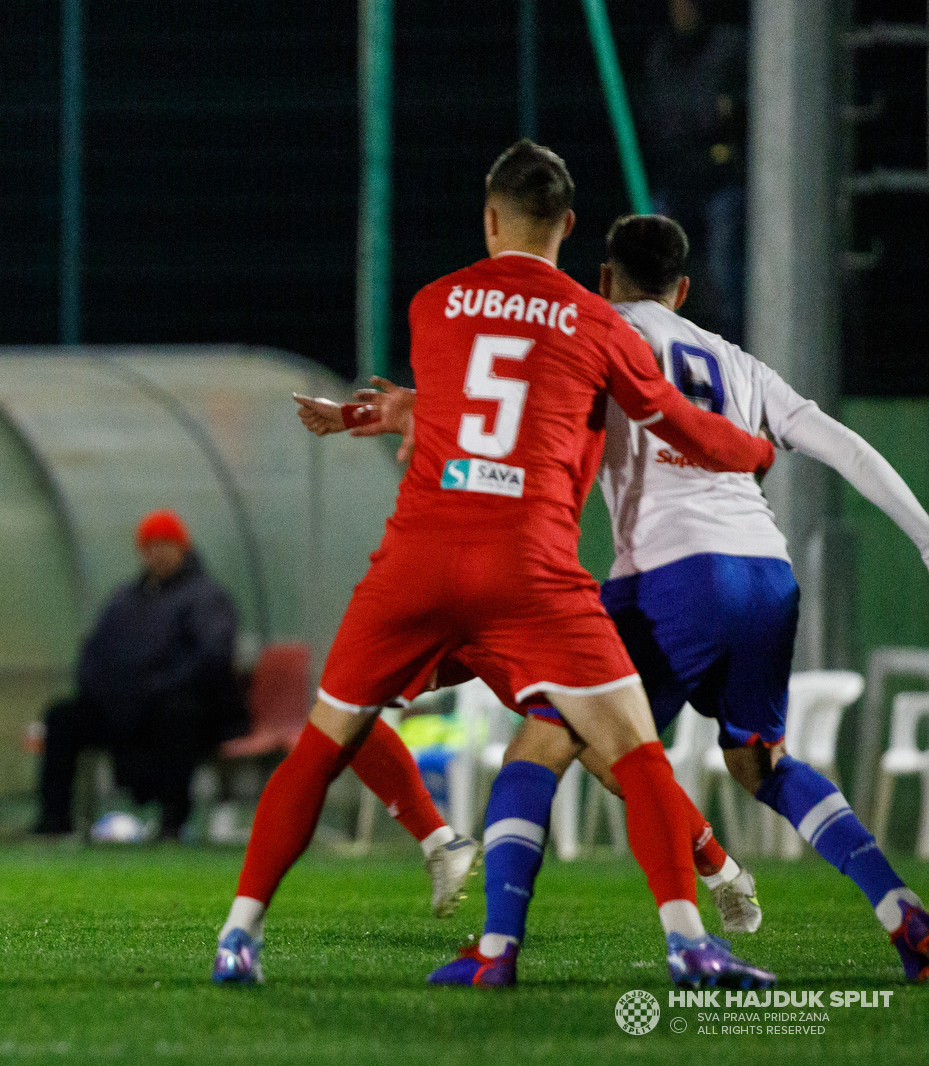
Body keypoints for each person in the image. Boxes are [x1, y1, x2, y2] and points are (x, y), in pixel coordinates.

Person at [212, 140, 777, 989]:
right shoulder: (597, 323)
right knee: (629, 749)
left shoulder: (434, 303)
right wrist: (755, 449)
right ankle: (689, 937)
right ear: (570, 227)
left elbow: (462, 394)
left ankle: (239, 936)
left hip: (423, 562)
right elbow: (670, 419)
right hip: (527, 571)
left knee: (330, 734)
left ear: (488, 218)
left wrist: (376, 413)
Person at [590, 214, 929, 980]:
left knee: (598, 739)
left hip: (668, 574)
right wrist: (923, 531)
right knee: (760, 763)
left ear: (604, 278)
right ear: (680, 289)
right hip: (764, 573)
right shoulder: (735, 361)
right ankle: (898, 909)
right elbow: (840, 443)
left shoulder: (594, 330)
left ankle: (707, 877)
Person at [33, 510, 248, 842]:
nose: (157, 553)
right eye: (150, 546)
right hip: (125, 708)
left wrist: (154, 688)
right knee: (62, 718)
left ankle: (173, 822)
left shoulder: (207, 598)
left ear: (182, 548)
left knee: (179, 715)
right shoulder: (125, 599)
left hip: (184, 709)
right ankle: (53, 822)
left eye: (165, 544)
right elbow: (94, 651)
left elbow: (211, 658)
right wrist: (105, 692)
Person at [640, 0, 746, 342]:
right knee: (653, 266)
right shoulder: (662, 54)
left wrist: (716, 120)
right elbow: (659, 120)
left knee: (723, 276)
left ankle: (731, 354)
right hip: (677, 180)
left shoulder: (729, 47)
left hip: (721, 181)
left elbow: (739, 113)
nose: (685, 10)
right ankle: (661, 349)